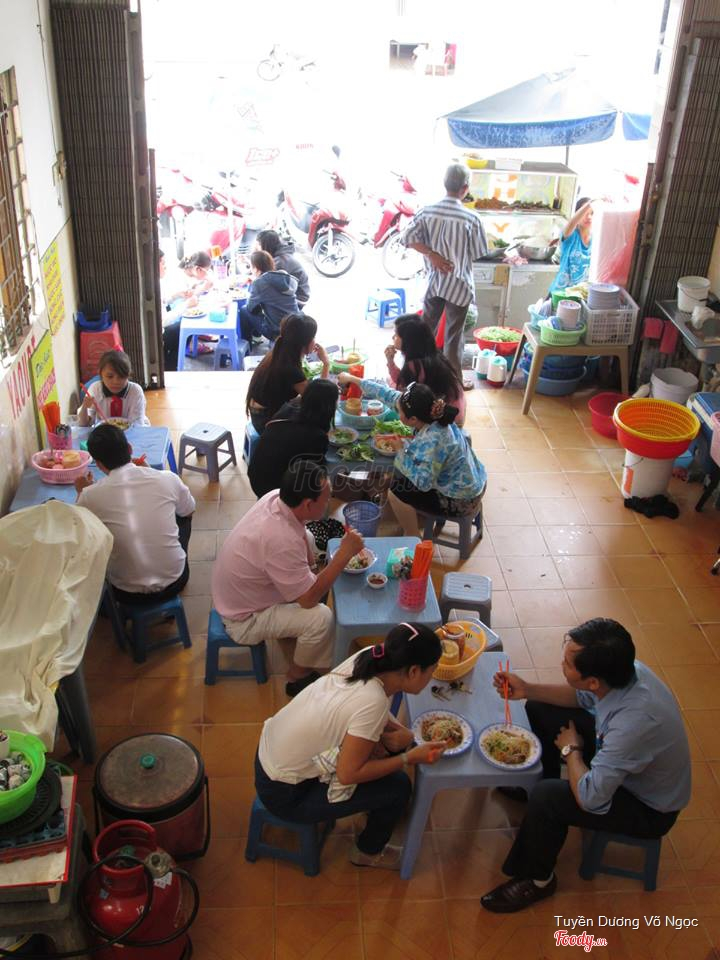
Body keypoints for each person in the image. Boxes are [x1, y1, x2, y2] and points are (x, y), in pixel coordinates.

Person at [480, 618, 691, 913]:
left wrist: (572, 751)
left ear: (593, 680)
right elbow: (582, 697)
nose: (561, 665)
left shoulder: (635, 722)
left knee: (548, 797)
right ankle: (535, 801)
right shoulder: (623, 672)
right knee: (539, 708)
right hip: (622, 759)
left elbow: (591, 798)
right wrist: (527, 689)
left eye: (568, 664)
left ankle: (538, 879)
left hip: (647, 806)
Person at [256, 622, 448, 869]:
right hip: (285, 793)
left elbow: (363, 712)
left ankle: (372, 806)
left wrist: (398, 731)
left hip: (269, 755)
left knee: (387, 749)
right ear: (413, 671)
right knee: (399, 787)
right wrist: (408, 758)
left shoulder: (370, 656)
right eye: (431, 671)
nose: (431, 677)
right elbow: (348, 774)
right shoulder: (373, 701)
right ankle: (367, 852)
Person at [211, 460, 364, 697]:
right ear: (308, 504)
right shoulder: (280, 540)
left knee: (309, 537)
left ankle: (300, 623)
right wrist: (343, 556)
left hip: (237, 593)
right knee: (321, 618)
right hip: (243, 618)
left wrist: (312, 569)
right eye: (326, 499)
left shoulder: (276, 497)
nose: (329, 503)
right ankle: (297, 676)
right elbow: (307, 601)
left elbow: (299, 533)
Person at [337, 374, 486, 536]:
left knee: (396, 491)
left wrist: (401, 450)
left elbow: (423, 483)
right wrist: (353, 379)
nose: (397, 412)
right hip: (474, 480)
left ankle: (412, 534)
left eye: (399, 412)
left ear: (413, 419)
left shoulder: (433, 439)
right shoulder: (432, 413)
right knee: (397, 474)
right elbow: (387, 394)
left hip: (462, 499)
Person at [74, 424, 196, 605]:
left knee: (98, 535)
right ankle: (169, 561)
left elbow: (80, 532)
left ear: (98, 464)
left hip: (125, 593)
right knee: (182, 514)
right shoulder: (167, 478)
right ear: (130, 448)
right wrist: (151, 471)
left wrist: (81, 492)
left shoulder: (89, 496)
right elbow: (189, 509)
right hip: (175, 581)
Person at [401, 163, 487, 386]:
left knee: (425, 333)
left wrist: (432, 254)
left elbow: (407, 238)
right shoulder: (472, 218)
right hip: (459, 285)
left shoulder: (427, 211)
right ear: (465, 188)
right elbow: (478, 253)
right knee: (453, 338)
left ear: (444, 184)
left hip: (434, 283)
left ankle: (416, 377)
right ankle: (453, 383)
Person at [248, 379, 338, 499]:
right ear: (328, 407)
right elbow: (314, 474)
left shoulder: (288, 408)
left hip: (256, 474)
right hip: (270, 488)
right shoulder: (316, 437)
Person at [245, 314, 329, 434]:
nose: (315, 340)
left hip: (260, 412)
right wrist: (326, 363)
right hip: (265, 421)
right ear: (303, 342)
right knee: (318, 416)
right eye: (313, 337)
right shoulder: (290, 368)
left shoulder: (281, 351)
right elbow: (317, 400)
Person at [385, 313, 466, 426]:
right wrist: (390, 361)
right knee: (391, 382)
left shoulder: (415, 365)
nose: (393, 337)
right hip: (457, 411)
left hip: (447, 420)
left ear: (408, 341)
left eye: (396, 335)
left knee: (394, 393)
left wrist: (390, 363)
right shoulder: (432, 354)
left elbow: (406, 392)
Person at [239, 251, 301, 342]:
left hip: (278, 332)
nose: (251, 270)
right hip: (297, 326)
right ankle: (256, 337)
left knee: (244, 310)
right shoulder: (283, 276)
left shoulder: (259, 283)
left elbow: (250, 308)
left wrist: (254, 287)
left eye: (251, 267)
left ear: (255, 269)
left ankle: (247, 343)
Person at [78, 350, 149, 426]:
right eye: (110, 376)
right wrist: (84, 407)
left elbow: (137, 425)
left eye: (121, 376)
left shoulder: (135, 391)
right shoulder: (95, 389)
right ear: (101, 374)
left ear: (128, 375)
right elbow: (84, 424)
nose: (116, 382)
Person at [548, 197, 593, 295]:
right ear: (577, 214)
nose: (589, 217)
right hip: (560, 293)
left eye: (592, 213)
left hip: (582, 295)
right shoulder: (571, 235)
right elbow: (572, 223)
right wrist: (591, 203)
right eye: (585, 213)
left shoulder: (596, 240)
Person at [256, 229, 310, 305]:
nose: (257, 248)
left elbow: (265, 281)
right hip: (294, 293)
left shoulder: (280, 261)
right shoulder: (279, 254)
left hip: (298, 299)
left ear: (266, 245)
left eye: (259, 244)